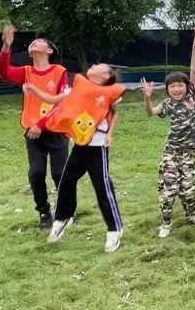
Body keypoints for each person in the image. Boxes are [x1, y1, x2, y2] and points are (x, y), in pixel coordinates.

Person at [24, 63, 125, 252]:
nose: (93, 65)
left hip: (97, 148)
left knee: (102, 188)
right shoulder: (76, 87)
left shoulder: (109, 92)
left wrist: (110, 133)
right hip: (79, 147)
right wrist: (33, 90)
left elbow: (114, 112)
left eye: (98, 65)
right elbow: (53, 99)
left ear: (105, 75)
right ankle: (63, 218)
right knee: (66, 181)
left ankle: (115, 230)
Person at [0, 26, 69, 229]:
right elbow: (4, 71)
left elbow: (62, 103)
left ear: (49, 51)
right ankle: (44, 212)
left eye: (40, 41)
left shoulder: (59, 72)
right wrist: (6, 47)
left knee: (59, 173)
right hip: (32, 133)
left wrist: (41, 123)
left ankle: (65, 212)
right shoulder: (26, 72)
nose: (34, 43)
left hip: (56, 130)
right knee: (36, 173)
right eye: (32, 42)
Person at [141, 27, 195, 238]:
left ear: (186, 87)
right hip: (171, 152)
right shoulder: (168, 105)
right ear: (168, 89)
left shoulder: (191, 97)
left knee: (188, 187)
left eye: (180, 85)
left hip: (189, 152)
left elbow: (194, 70)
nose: (177, 89)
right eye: (172, 86)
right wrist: (148, 97)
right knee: (168, 189)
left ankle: (191, 215)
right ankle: (166, 223)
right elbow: (151, 113)